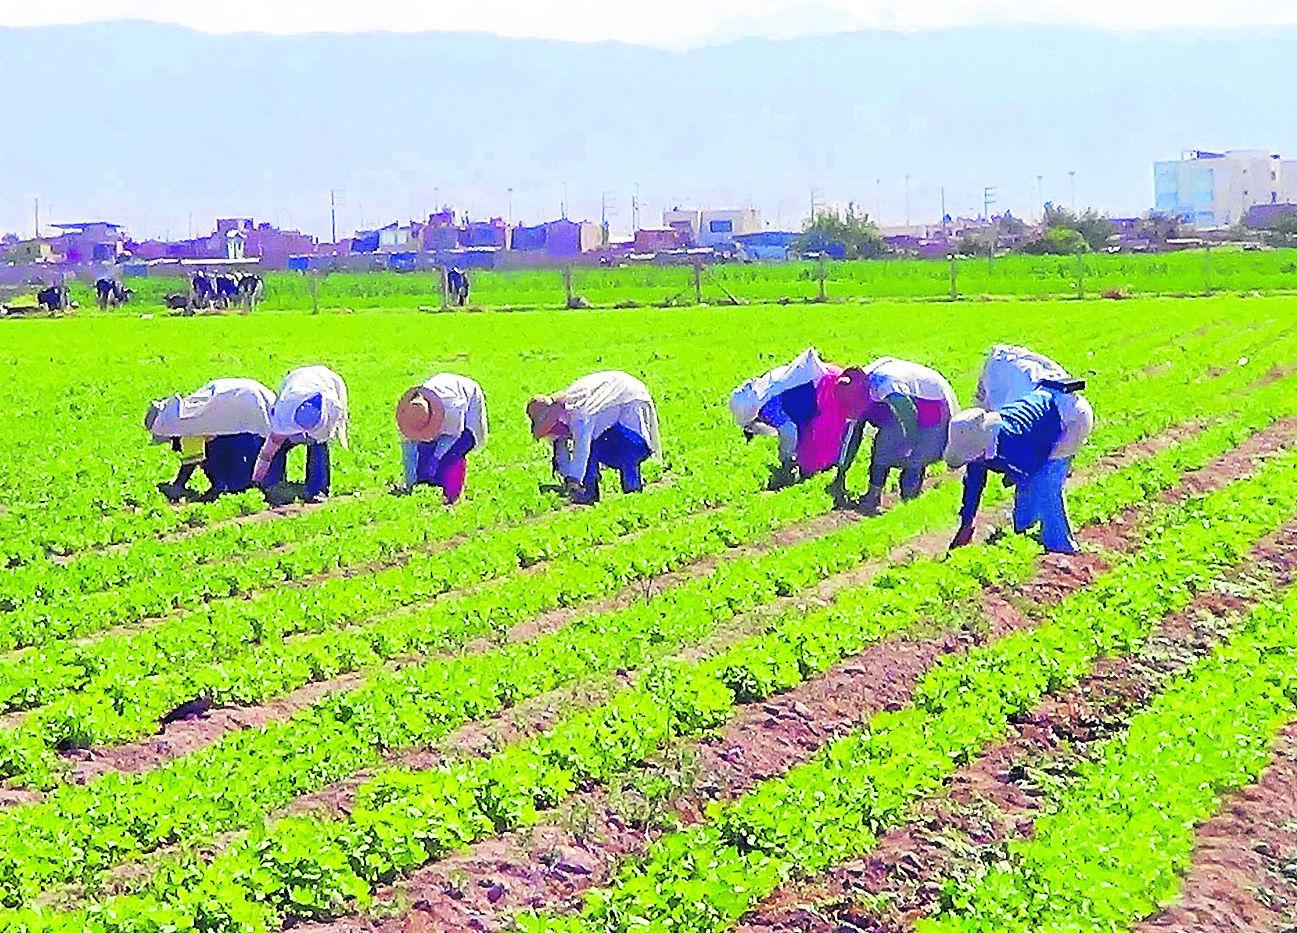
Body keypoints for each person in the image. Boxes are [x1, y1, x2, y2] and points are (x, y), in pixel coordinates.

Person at [945, 374, 1094, 554]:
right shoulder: (976, 445)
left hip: (1070, 417)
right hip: (1043, 415)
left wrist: (1012, 473)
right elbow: (973, 484)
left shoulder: (1013, 442)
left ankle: (1061, 546)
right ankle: (1024, 534)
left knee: (1045, 484)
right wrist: (968, 522)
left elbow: (1035, 461)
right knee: (1026, 488)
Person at [828, 357, 959, 511]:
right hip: (896, 407)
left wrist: (910, 445)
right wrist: (840, 475)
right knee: (883, 449)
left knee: (915, 457)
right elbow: (851, 436)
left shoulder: (886, 388)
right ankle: (873, 496)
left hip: (930, 403)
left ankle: (909, 502)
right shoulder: (852, 392)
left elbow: (908, 416)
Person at [526, 370, 660, 504]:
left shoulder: (579, 413)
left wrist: (574, 480)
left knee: (621, 452)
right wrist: (567, 478)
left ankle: (626, 491)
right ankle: (591, 492)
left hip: (633, 410)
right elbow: (561, 449)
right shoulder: (566, 414)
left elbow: (582, 448)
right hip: (616, 416)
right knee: (596, 445)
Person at [728, 348, 848, 487]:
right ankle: (826, 466)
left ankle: (825, 467)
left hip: (823, 390)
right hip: (824, 381)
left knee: (825, 434)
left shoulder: (767, 408)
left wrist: (786, 459)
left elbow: (788, 430)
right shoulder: (765, 390)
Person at [143, 378, 276, 501]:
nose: (172, 447)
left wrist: (178, 486)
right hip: (250, 398)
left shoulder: (188, 428)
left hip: (247, 407)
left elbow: (192, 461)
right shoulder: (190, 410)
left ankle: (227, 485)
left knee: (222, 461)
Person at [251, 365, 349, 503]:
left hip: (325, 382)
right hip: (295, 383)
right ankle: (272, 484)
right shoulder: (283, 415)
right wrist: (258, 477)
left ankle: (318, 490)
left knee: (318, 448)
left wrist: (313, 437)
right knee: (279, 447)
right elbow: (268, 452)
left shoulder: (331, 408)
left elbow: (323, 436)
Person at [394, 373, 488, 504]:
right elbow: (408, 450)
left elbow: (454, 436)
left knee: (452, 454)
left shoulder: (452, 408)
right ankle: (425, 484)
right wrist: (410, 481)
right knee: (424, 454)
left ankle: (451, 497)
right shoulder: (409, 414)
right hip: (443, 398)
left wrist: (436, 458)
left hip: (468, 408)